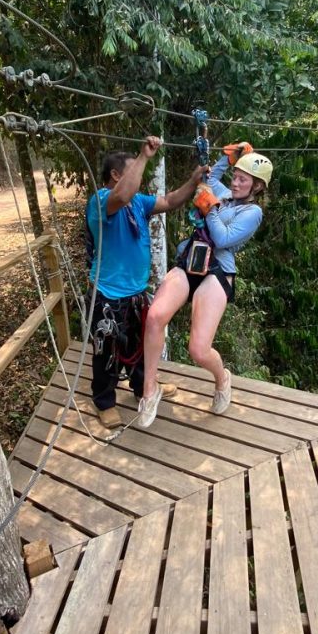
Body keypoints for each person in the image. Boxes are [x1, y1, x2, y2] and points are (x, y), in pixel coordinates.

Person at [137, 142, 272, 429]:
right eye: (235, 177)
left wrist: (209, 208)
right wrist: (227, 158)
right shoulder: (225, 194)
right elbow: (209, 179)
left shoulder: (252, 212)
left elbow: (223, 239)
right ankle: (150, 390)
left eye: (243, 180)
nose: (235, 183)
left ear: (257, 187)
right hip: (192, 259)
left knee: (198, 350)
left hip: (218, 270)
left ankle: (222, 378)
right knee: (155, 317)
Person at [86, 136, 204, 428]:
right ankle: (104, 402)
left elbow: (170, 200)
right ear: (116, 175)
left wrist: (193, 181)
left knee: (140, 346)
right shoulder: (101, 201)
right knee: (106, 350)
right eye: (134, 170)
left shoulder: (138, 202)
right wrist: (144, 155)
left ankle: (143, 388)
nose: (140, 176)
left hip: (135, 292)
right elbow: (122, 195)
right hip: (107, 293)